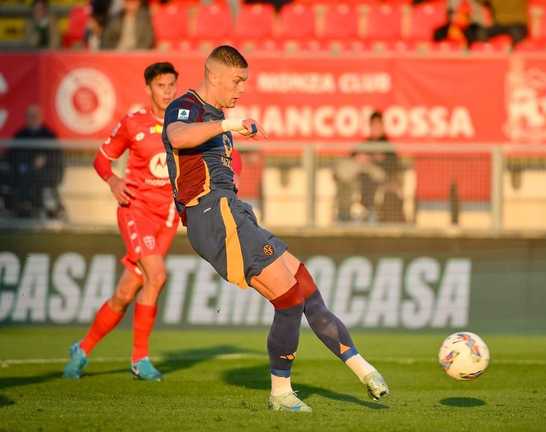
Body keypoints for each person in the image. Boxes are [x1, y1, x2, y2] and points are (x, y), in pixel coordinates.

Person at [162, 45, 389, 412]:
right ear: (214, 75)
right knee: (288, 299)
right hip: (211, 215)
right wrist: (229, 124)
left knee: (305, 289)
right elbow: (177, 136)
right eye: (237, 80)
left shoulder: (219, 118)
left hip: (234, 211)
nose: (241, 89)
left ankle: (364, 370)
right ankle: (281, 393)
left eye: (245, 82)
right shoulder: (188, 106)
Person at [63, 62, 180, 381]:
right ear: (149, 89)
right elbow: (101, 159)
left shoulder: (185, 124)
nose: (167, 91)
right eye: (161, 86)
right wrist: (114, 182)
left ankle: (82, 349)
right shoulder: (133, 123)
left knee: (126, 292)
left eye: (171, 85)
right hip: (136, 210)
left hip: (167, 218)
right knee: (156, 276)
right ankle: (139, 359)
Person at [11, 105, 64, 219]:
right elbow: (12, 156)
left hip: (46, 173)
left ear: (40, 117)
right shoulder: (20, 135)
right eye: (29, 116)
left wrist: (44, 160)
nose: (32, 119)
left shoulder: (49, 135)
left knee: (37, 178)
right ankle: (22, 208)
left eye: (35, 116)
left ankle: (52, 210)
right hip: (23, 173)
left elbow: (56, 157)